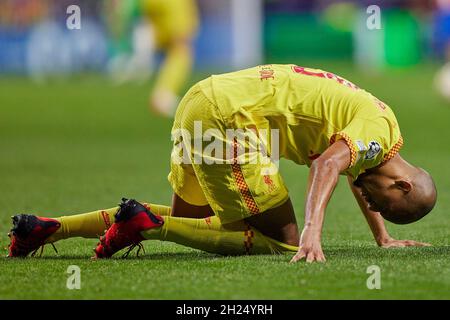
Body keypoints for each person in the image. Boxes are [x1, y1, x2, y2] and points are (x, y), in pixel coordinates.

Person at [7, 64, 437, 263]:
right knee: (285, 241)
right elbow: (327, 165)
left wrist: (382, 239)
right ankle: (147, 226)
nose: (371, 204)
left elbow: (349, 172)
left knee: (193, 223)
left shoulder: (376, 145)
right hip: (231, 120)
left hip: (200, 99)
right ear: (401, 185)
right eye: (382, 205)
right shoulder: (379, 131)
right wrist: (311, 232)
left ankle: (44, 229)